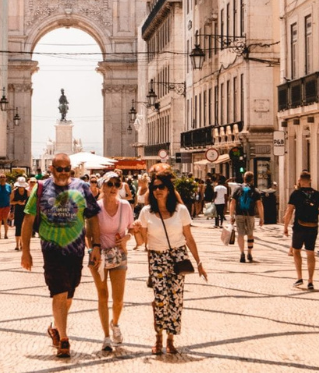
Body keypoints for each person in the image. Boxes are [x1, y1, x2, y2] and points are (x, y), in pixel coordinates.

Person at [20, 152, 101, 358]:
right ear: (51, 169)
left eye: (67, 169)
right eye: (60, 169)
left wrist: (97, 246)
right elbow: (28, 221)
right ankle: (64, 339)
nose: (64, 172)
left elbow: (92, 218)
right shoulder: (40, 188)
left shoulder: (82, 188)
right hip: (52, 249)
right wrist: (26, 252)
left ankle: (56, 327)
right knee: (59, 292)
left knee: (69, 294)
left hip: (76, 250)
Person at [132, 165, 206, 355]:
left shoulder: (180, 210)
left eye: (161, 187)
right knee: (160, 299)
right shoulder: (146, 212)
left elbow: (189, 238)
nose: (157, 191)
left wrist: (199, 263)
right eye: (154, 187)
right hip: (157, 256)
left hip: (178, 256)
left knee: (176, 299)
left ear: (168, 189)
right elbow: (143, 243)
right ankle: (158, 337)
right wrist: (136, 233)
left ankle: (170, 339)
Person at [90, 172, 133, 352]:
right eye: (109, 184)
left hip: (118, 254)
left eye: (117, 184)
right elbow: (88, 233)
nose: (114, 188)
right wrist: (94, 248)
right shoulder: (95, 207)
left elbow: (131, 229)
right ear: (102, 186)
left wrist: (127, 238)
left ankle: (115, 324)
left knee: (118, 299)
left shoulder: (125, 206)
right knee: (102, 295)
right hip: (98, 255)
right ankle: (106, 337)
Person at [283, 171, 319, 291]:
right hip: (312, 227)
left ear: (300, 180)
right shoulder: (317, 194)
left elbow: (289, 211)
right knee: (310, 253)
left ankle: (299, 277)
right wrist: (315, 213)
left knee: (296, 251)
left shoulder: (296, 194)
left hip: (299, 227)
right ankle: (310, 281)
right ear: (310, 180)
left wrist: (285, 226)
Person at [230, 172, 263, 263]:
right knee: (250, 234)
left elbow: (232, 203)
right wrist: (261, 218)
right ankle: (249, 253)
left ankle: (242, 253)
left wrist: (231, 215)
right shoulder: (255, 190)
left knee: (240, 234)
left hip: (239, 214)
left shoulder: (237, 189)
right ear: (252, 179)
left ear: (243, 178)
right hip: (250, 215)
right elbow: (259, 205)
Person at [10, 177, 29, 251]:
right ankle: (17, 244)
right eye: (20, 186)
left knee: (24, 228)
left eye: (22, 186)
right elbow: (10, 202)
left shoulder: (27, 192)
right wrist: (17, 202)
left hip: (25, 212)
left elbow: (30, 202)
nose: (21, 188)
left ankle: (22, 243)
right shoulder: (14, 192)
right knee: (18, 228)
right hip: (17, 211)